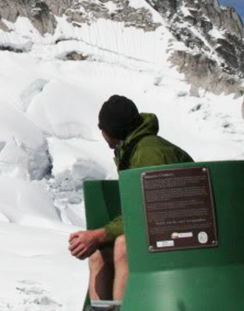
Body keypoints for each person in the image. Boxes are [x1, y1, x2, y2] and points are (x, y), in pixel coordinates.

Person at [68, 95, 193, 304]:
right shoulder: (132, 149)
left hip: (180, 233)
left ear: (108, 131)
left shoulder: (149, 152)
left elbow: (152, 213)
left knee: (124, 245)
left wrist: (100, 234)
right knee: (99, 253)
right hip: (160, 231)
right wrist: (97, 239)